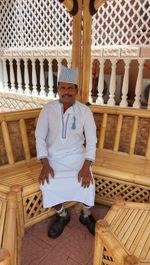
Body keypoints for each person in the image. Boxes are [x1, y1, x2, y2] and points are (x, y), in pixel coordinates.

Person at [35, 66, 97, 238]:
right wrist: (45, 164)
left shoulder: (84, 111)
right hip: (53, 157)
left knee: (88, 183)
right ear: (58, 90)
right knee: (47, 183)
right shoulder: (48, 109)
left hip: (78, 156)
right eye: (63, 87)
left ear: (76, 90)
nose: (67, 91)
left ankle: (85, 215)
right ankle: (62, 214)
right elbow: (39, 138)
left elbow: (92, 141)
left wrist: (86, 167)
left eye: (71, 88)